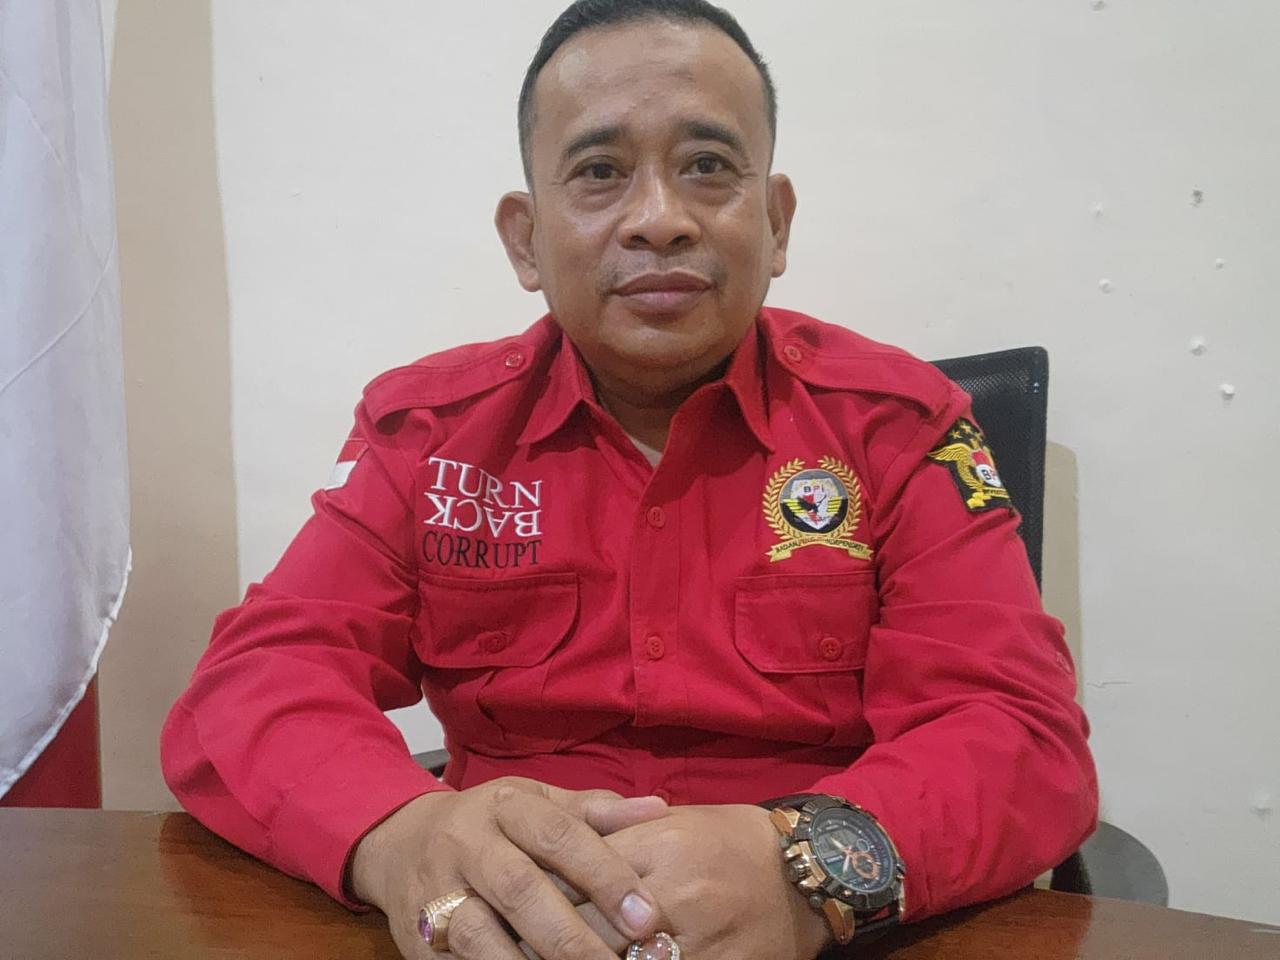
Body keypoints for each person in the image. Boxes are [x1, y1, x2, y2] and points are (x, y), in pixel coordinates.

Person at [161, 2, 1098, 958]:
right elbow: (253, 685)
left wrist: (800, 864)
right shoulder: (429, 438)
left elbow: (1021, 737)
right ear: (525, 239)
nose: (659, 220)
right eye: (600, 172)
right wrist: (400, 835)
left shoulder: (900, 428)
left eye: (708, 166)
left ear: (775, 224)